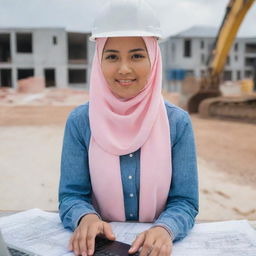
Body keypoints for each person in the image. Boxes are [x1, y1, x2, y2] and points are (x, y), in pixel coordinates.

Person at [58, 0, 198, 255]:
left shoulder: (177, 123)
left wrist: (165, 228)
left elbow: (185, 201)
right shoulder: (80, 122)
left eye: (137, 55)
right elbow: (71, 195)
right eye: (112, 56)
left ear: (154, 59)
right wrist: (86, 218)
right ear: (98, 61)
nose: (124, 69)